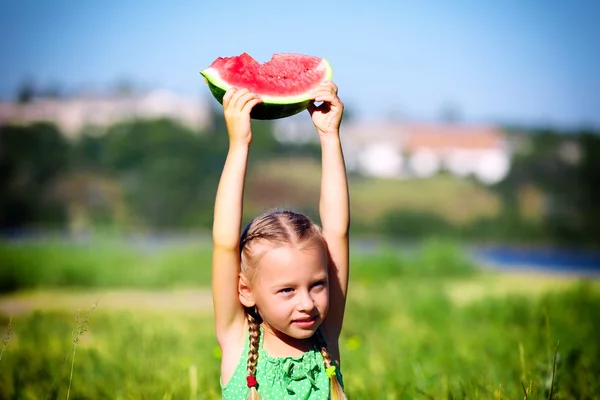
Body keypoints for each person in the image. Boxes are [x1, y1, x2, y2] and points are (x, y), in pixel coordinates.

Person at [212, 81, 350, 399]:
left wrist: (329, 135)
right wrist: (239, 144)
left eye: (317, 284)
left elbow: (337, 229)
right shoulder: (237, 339)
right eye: (287, 290)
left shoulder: (325, 337)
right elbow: (224, 241)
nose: (307, 304)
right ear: (245, 290)